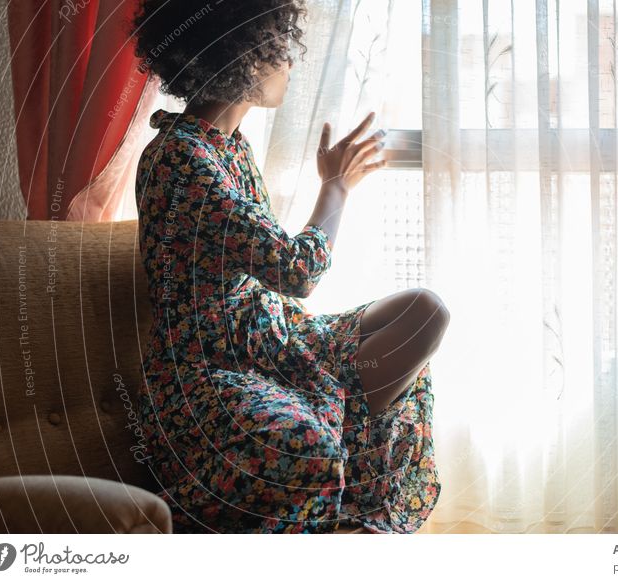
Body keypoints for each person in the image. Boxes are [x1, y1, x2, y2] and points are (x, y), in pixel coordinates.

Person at [131, 0, 450, 533]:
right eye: (280, 45)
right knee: (312, 446)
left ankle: (350, 479)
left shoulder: (227, 148)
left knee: (425, 314)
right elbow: (297, 272)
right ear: (244, 54)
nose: (289, 61)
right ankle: (334, 478)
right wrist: (336, 188)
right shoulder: (182, 159)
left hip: (272, 340)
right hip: (214, 371)